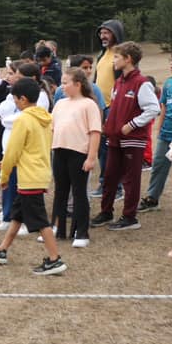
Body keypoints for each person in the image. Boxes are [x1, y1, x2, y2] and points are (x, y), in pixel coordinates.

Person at [0, 78, 66, 275]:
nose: (14, 102)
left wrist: (3, 176)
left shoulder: (23, 119)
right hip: (38, 172)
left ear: (22, 99)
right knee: (18, 213)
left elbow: (13, 150)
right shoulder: (44, 117)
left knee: (39, 220)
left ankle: (55, 259)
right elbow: (33, 147)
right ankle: (2, 249)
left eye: (14, 99)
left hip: (29, 177)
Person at [91, 42, 160, 231]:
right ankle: (106, 212)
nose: (113, 60)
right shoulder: (120, 81)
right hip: (115, 139)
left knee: (130, 179)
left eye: (116, 57)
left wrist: (132, 125)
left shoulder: (142, 83)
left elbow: (153, 109)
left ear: (128, 59)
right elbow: (115, 108)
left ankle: (129, 217)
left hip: (133, 140)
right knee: (110, 176)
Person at [50, 67, 102, 248]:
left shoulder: (89, 104)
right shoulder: (60, 104)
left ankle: (81, 232)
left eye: (66, 83)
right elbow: (53, 128)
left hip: (78, 153)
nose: (62, 86)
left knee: (79, 193)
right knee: (60, 191)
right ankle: (58, 227)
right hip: (59, 151)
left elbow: (95, 132)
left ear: (78, 84)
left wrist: (91, 157)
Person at [91, 20, 125, 197]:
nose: (103, 36)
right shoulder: (103, 54)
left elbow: (124, 82)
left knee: (111, 148)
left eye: (107, 33)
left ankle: (116, 187)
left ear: (116, 33)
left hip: (113, 108)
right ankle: (105, 183)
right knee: (101, 148)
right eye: (101, 33)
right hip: (100, 107)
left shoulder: (121, 54)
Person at [139, 54, 172, 214]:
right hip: (166, 134)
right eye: (171, 61)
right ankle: (152, 199)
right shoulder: (168, 83)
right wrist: (159, 131)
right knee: (159, 165)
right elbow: (164, 108)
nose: (171, 64)